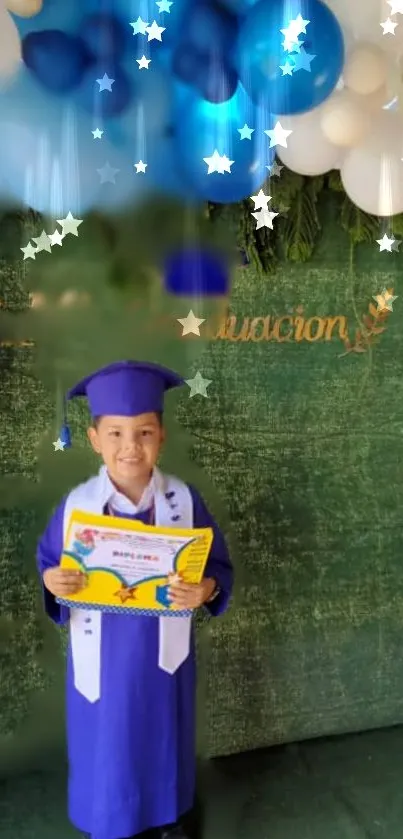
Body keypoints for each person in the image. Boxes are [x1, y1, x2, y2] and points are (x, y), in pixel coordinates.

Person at [36, 360, 233, 839]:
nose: (131, 447)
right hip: (102, 655)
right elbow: (49, 563)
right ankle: (109, 822)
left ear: (161, 437)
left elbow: (218, 568)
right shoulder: (76, 507)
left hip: (164, 656)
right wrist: (53, 581)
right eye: (117, 434)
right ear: (94, 439)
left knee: (164, 738)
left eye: (144, 432)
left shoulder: (184, 503)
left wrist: (205, 589)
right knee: (109, 743)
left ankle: (168, 820)